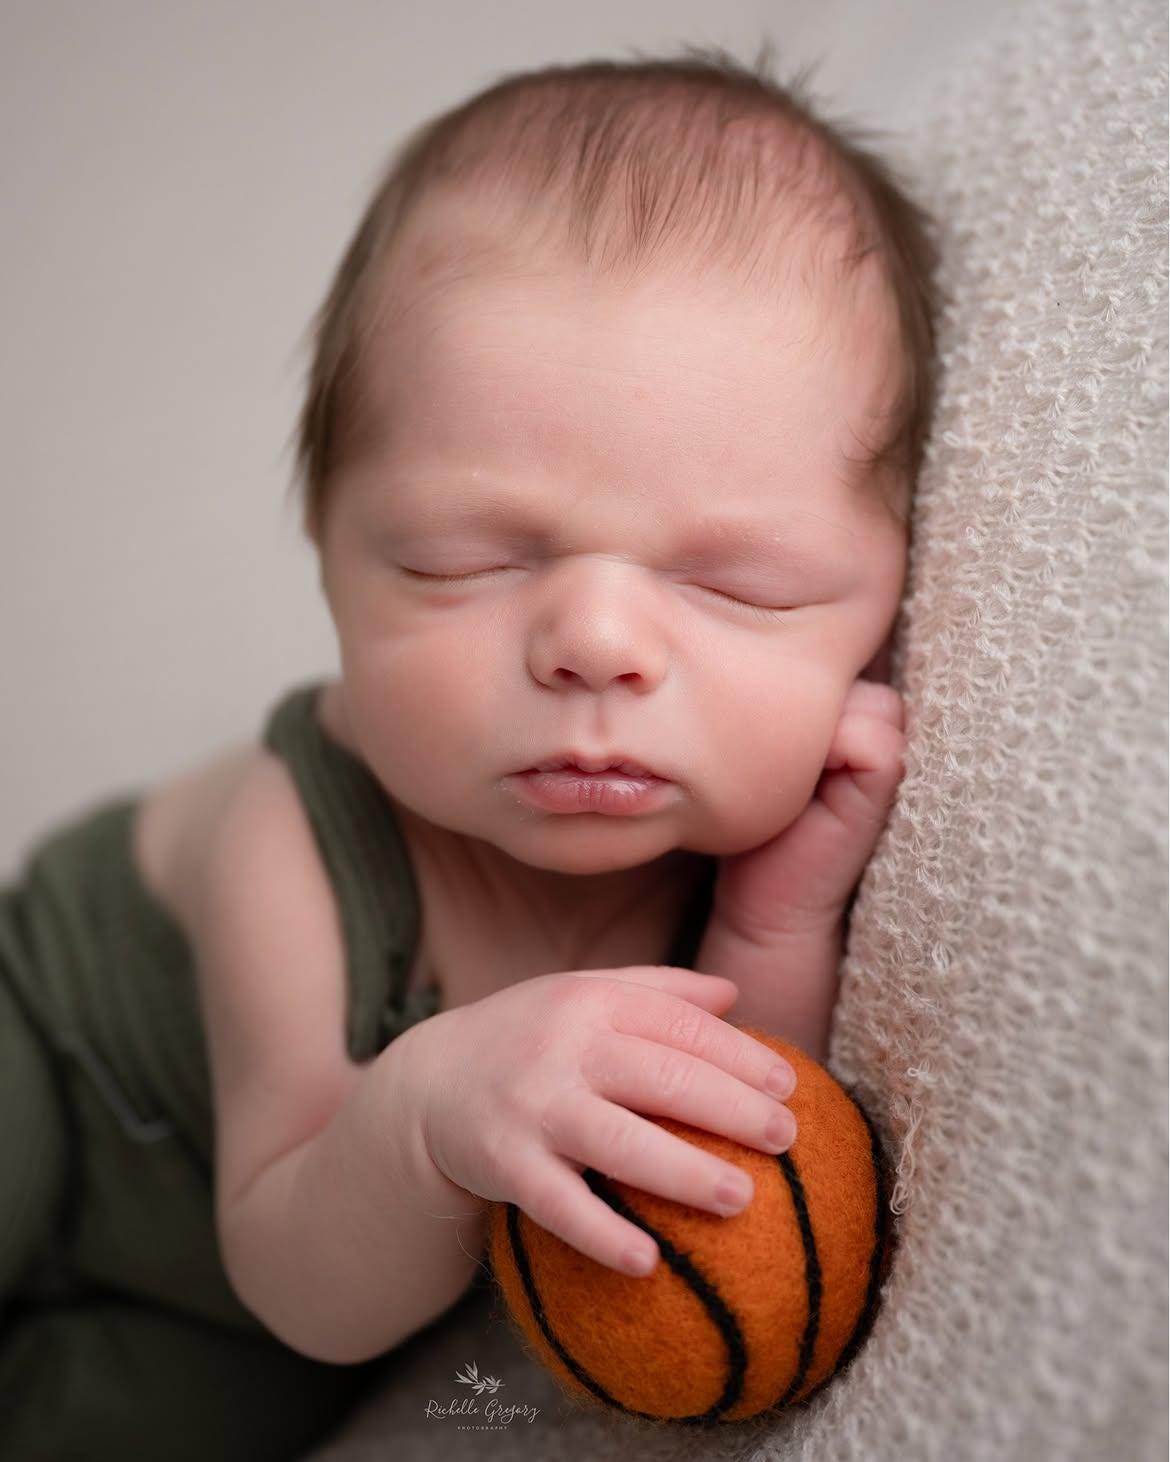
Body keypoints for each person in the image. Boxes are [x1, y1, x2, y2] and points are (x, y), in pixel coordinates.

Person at [0, 42, 939, 1461]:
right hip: (58, 1062)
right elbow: (290, 1248)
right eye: (463, 560)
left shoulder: (727, 843)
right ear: (329, 559)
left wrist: (775, 911)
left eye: (737, 585)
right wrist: (432, 1108)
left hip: (214, 1322)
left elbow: (727, 1131)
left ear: (881, 600)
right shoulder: (291, 832)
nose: (596, 644)